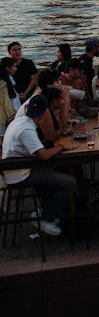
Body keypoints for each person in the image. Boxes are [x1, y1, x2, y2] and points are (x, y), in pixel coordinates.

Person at [1, 95, 76, 237]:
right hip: (20, 175)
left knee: (52, 174)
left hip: (19, 169)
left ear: (27, 108)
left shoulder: (19, 122)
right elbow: (44, 155)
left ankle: (46, 210)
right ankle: (46, 217)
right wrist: (61, 147)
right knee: (69, 182)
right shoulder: (27, 129)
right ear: (43, 113)